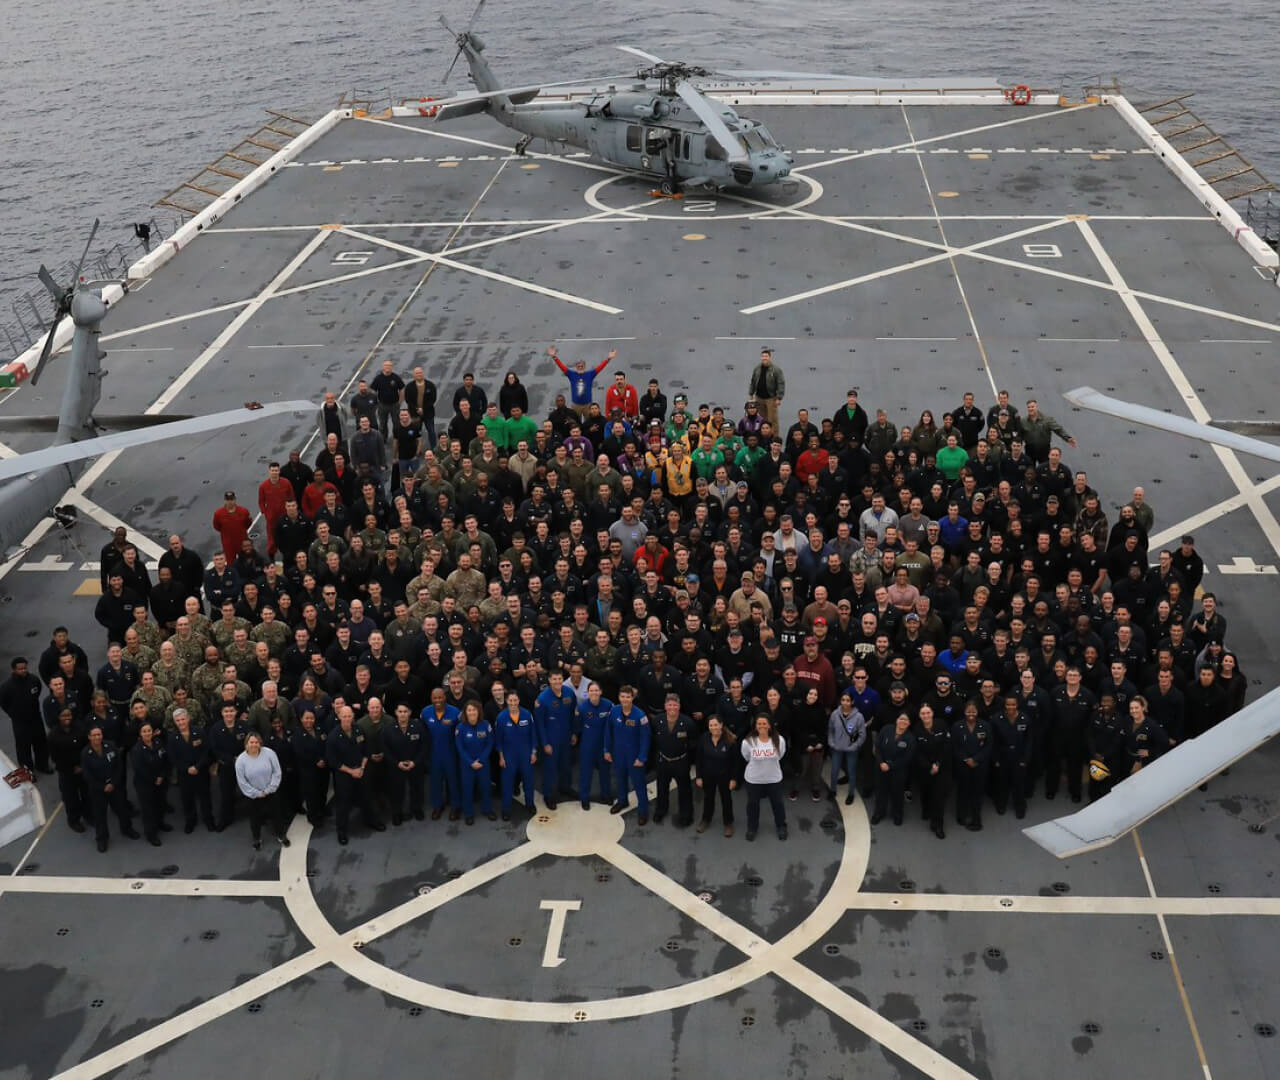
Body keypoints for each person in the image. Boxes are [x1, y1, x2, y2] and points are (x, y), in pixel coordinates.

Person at [326, 705, 386, 843]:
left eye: (349, 716)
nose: (347, 719)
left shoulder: (359, 729)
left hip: (361, 770)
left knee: (367, 797)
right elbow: (333, 760)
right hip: (344, 774)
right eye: (344, 716)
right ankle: (342, 831)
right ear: (339, 717)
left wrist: (362, 768)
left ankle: (371, 820)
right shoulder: (333, 736)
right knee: (343, 804)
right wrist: (351, 771)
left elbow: (366, 750)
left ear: (353, 716)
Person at [80, 724, 139, 853]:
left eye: (99, 734)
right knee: (100, 815)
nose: (97, 737)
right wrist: (103, 786)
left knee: (122, 809)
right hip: (98, 790)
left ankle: (127, 829)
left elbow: (119, 766)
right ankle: (102, 838)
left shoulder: (111, 746)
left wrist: (113, 782)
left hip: (114, 786)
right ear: (89, 737)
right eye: (94, 735)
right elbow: (88, 775)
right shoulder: (85, 753)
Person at [236, 731, 290, 850]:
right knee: (254, 818)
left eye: (257, 742)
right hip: (253, 796)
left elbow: (277, 772)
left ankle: (281, 835)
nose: (254, 745)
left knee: (277, 815)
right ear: (246, 744)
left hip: (270, 792)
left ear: (260, 743)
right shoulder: (240, 760)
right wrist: (256, 793)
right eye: (251, 742)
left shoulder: (270, 753)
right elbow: (242, 782)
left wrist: (270, 789)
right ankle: (257, 838)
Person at [607, 685, 650, 822]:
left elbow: (645, 738)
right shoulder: (614, 712)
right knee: (620, 780)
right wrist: (607, 750)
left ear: (632, 698)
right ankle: (622, 801)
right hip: (618, 753)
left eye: (628, 697)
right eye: (622, 697)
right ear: (619, 697)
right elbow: (608, 732)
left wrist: (642, 757)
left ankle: (643, 811)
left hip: (634, 755)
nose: (625, 699)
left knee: (639, 784)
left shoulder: (640, 716)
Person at [0, 656, 50, 775]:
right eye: (20, 669)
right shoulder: (6, 687)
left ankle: (42, 765)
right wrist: (13, 714)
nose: (23, 670)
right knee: (23, 748)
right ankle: (28, 772)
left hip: (35, 718)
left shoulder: (34, 680)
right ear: (14, 670)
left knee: (41, 743)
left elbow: (37, 691)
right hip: (20, 722)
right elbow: (3, 703)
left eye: (25, 668)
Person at [169, 707, 215, 833]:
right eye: (178, 720)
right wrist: (187, 768)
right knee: (187, 798)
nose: (181, 722)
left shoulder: (199, 732)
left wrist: (197, 766)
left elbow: (206, 751)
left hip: (201, 770)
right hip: (184, 774)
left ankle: (209, 820)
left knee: (205, 797)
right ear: (175, 722)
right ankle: (190, 821)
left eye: (183, 719)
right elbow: (173, 757)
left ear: (188, 718)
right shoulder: (172, 737)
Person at [742, 714, 787, 841]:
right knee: (753, 805)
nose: (762, 726)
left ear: (770, 725)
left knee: (778, 804)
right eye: (759, 724)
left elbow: (780, 755)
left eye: (764, 723)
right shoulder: (748, 742)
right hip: (754, 780)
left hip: (774, 779)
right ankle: (752, 828)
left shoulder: (779, 740)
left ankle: (781, 826)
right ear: (755, 726)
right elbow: (746, 757)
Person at [652, 694, 694, 827]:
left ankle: (686, 815)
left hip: (681, 761)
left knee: (684, 790)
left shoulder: (688, 722)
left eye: (675, 705)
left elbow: (693, 743)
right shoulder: (657, 720)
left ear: (679, 706)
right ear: (665, 706)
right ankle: (660, 810)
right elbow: (653, 740)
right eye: (669, 705)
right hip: (663, 760)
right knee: (662, 787)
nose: (672, 707)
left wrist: (689, 760)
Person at [496, 690, 537, 821]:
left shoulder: (527, 715)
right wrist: (501, 757)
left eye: (515, 700)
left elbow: (533, 735)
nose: (513, 703)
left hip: (525, 754)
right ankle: (506, 809)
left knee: (528, 781)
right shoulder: (501, 717)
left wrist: (534, 752)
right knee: (507, 784)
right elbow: (498, 740)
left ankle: (530, 804)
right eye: (510, 700)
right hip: (509, 756)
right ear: (507, 701)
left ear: (518, 701)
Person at [129, 721, 172, 846]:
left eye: (149, 731)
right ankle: (151, 834)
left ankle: (160, 823)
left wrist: (162, 776)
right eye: (144, 731)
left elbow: (166, 760)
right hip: (145, 784)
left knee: (160, 804)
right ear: (140, 734)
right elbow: (140, 769)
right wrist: (155, 778)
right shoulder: (136, 750)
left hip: (160, 780)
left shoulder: (158, 742)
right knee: (148, 809)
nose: (147, 733)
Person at [695, 715, 738, 836]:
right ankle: (706, 820)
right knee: (708, 798)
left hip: (725, 776)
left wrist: (734, 779)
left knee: (726, 800)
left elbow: (735, 763)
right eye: (711, 725)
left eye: (715, 725)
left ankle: (728, 823)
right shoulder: (704, 738)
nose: (713, 727)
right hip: (708, 775)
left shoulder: (730, 740)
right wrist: (698, 776)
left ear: (721, 725)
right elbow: (699, 759)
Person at [422, 688, 462, 820]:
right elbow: (423, 733)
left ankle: (455, 807)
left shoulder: (455, 712)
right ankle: (437, 806)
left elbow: (461, 731)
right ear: (431, 699)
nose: (438, 700)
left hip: (451, 753)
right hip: (433, 753)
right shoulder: (425, 712)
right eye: (435, 698)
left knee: (453, 781)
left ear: (445, 698)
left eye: (440, 697)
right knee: (435, 781)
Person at [384, 703, 427, 824]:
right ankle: (397, 813)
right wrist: (397, 763)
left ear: (410, 713)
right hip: (397, 766)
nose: (403, 714)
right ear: (396, 713)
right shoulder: (388, 729)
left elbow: (424, 746)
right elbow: (385, 749)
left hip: (415, 765)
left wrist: (415, 762)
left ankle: (417, 809)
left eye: (405, 711)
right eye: (400, 711)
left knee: (417, 788)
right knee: (396, 790)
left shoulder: (418, 726)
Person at [455, 700, 497, 824]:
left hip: (483, 763)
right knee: (467, 789)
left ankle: (487, 810)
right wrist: (470, 762)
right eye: (469, 710)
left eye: (474, 710)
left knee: (485, 787)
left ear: (478, 711)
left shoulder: (486, 725)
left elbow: (490, 743)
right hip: (467, 764)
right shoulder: (460, 727)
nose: (472, 712)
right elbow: (459, 747)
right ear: (465, 712)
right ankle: (468, 814)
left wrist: (481, 760)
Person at [871, 713, 915, 826]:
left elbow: (907, 757)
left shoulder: (910, 738)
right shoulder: (886, 729)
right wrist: (881, 762)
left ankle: (897, 815)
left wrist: (890, 766)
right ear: (896, 720)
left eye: (906, 720)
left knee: (897, 793)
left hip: (898, 770)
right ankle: (879, 813)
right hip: (881, 767)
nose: (903, 721)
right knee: (881, 792)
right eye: (901, 719)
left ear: (909, 723)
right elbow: (877, 747)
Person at [576, 682, 614, 809]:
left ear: (601, 692)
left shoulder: (608, 705)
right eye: (591, 691)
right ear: (588, 693)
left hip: (603, 744)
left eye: (596, 690)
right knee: (586, 772)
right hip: (588, 745)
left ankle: (606, 795)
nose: (594, 693)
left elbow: (612, 724)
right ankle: (584, 798)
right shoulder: (582, 708)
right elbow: (578, 725)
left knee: (605, 771)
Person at [551, 345, 616, 419]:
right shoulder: (571, 374)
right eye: (578, 366)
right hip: (576, 405)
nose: (580, 367)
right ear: (576, 367)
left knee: (589, 422)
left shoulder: (590, 374)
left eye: (582, 366)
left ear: (584, 366)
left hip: (588, 405)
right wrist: (554, 357)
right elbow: (562, 367)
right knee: (575, 423)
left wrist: (608, 358)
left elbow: (600, 367)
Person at [826, 691, 866, 806]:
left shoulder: (859, 717)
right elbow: (830, 730)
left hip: (851, 750)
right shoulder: (835, 714)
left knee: (851, 772)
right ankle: (833, 790)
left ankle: (851, 793)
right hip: (837, 748)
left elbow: (862, 735)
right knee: (834, 770)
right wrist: (831, 743)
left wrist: (855, 746)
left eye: (848, 700)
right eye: (843, 700)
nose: (845, 703)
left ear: (852, 702)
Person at [747, 347, 785, 433]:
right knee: (762, 420)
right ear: (761, 357)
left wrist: (779, 398)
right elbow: (753, 381)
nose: (764, 358)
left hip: (771, 398)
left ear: (770, 357)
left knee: (773, 420)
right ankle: (763, 437)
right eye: (763, 356)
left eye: (766, 356)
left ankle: (774, 438)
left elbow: (781, 383)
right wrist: (751, 394)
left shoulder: (776, 369)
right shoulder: (757, 368)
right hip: (759, 398)